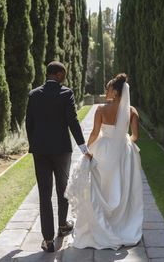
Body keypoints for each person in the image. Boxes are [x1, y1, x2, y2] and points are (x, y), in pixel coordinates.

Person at [65, 73, 143, 250]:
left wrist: (87, 149)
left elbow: (94, 133)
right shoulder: (132, 111)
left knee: (102, 186)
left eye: (108, 89)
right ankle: (121, 224)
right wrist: (123, 140)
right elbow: (135, 136)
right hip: (124, 152)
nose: (106, 91)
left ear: (115, 92)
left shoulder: (101, 110)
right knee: (122, 188)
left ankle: (102, 224)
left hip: (103, 150)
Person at [25, 61, 90, 253]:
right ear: (59, 74)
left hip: (40, 151)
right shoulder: (66, 93)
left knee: (44, 194)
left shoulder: (34, 94)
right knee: (63, 188)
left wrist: (34, 145)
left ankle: (47, 240)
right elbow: (73, 121)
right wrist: (83, 147)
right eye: (65, 74)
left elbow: (29, 123)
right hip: (62, 150)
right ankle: (62, 226)